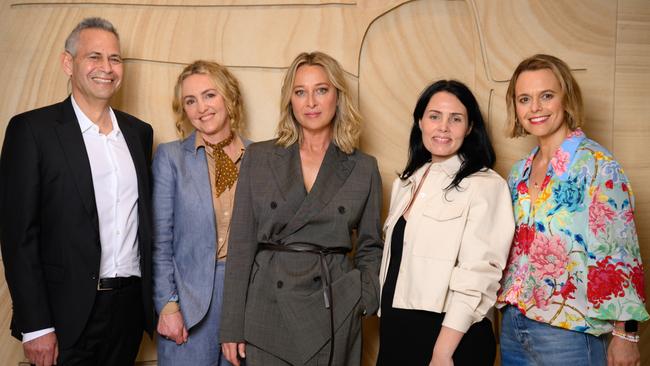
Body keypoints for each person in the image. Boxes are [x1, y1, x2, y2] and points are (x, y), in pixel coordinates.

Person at [0, 17, 154, 366]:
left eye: (115, 59)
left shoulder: (138, 133)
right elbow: (18, 236)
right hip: (63, 316)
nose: (107, 68)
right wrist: (36, 326)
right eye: (94, 57)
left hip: (128, 312)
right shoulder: (32, 131)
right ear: (68, 63)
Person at [219, 51, 383, 366]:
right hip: (267, 308)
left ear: (338, 96)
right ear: (290, 101)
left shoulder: (363, 167)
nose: (311, 102)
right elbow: (240, 246)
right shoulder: (260, 157)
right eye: (300, 92)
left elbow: (370, 245)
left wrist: (362, 297)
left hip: (333, 306)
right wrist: (231, 326)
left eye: (321, 90)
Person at [497, 54, 649, 366]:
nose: (535, 107)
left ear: (567, 99)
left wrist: (626, 336)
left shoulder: (599, 167)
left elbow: (621, 255)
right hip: (514, 327)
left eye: (546, 96)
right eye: (524, 99)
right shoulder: (519, 172)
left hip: (570, 334)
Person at [375, 80, 514, 366]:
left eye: (456, 119)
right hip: (397, 332)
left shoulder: (486, 185)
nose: (443, 127)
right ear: (420, 121)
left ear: (470, 127)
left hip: (449, 337)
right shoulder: (405, 183)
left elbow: (479, 275)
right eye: (435, 116)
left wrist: (443, 351)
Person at [152, 60, 249, 365]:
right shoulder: (170, 158)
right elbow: (159, 241)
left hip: (244, 301)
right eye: (190, 101)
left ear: (229, 98)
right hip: (188, 304)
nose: (201, 108)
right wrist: (167, 306)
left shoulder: (260, 157)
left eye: (209, 95)